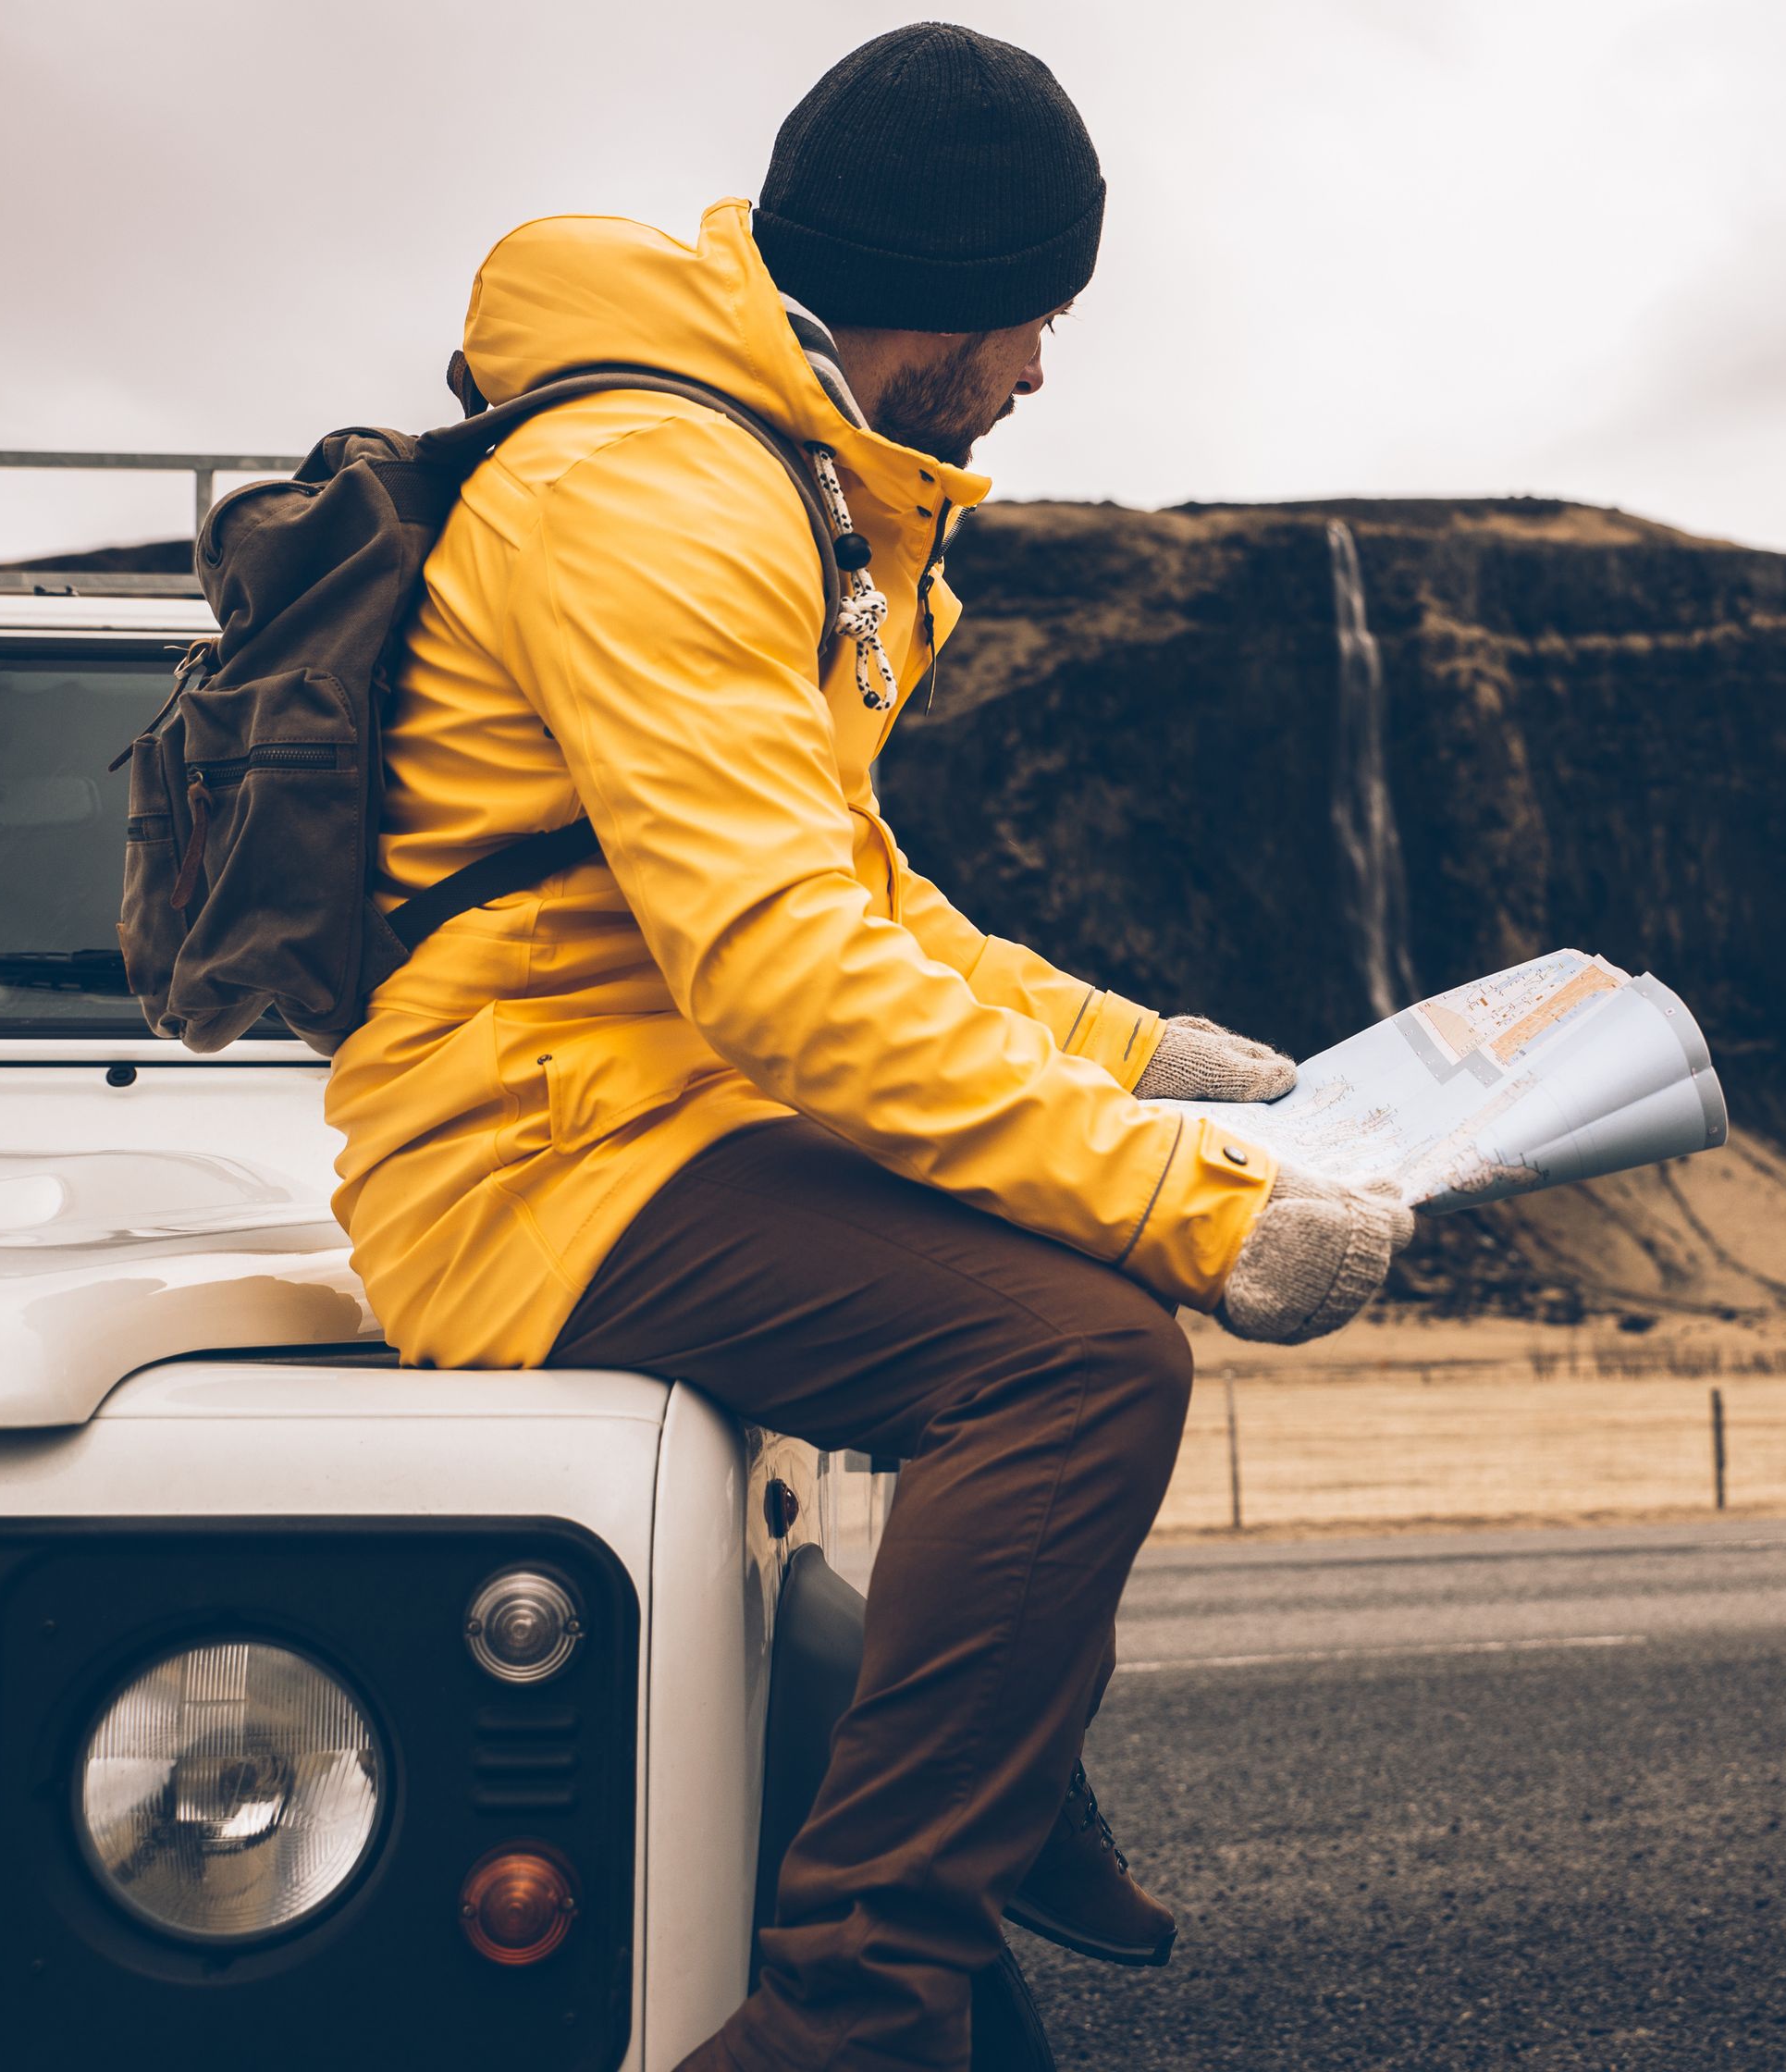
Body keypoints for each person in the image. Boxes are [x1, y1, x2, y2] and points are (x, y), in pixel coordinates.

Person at [321, 22, 1411, 2067]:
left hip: (642, 1119)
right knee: (1082, 1354)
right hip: (528, 1160)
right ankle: (855, 2013)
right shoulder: (658, 487)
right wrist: (1202, 1204)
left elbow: (866, 893)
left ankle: (1004, 1793)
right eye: (1026, 317)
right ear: (934, 282)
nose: (1033, 371)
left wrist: (1151, 1058)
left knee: (1075, 1281)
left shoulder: (771, 473)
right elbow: (783, 969)